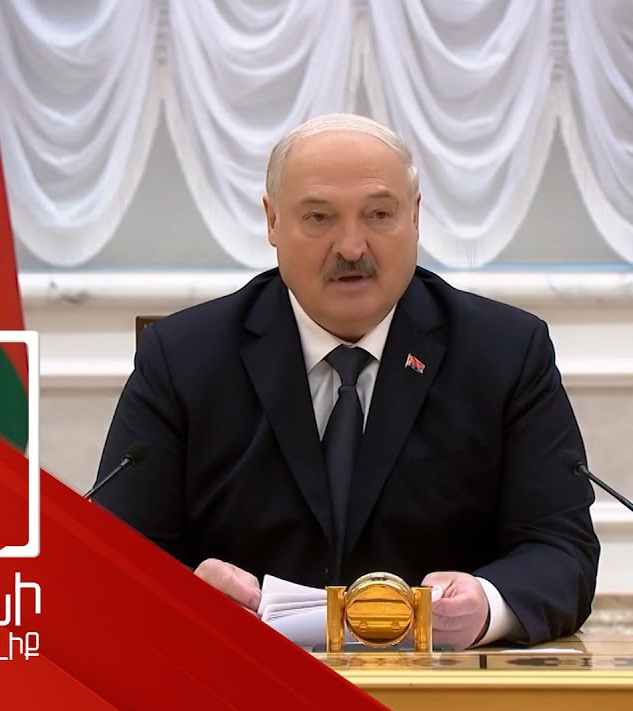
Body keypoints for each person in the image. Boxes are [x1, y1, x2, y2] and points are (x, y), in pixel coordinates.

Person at [94, 113, 600, 648]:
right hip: (238, 677)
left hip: (440, 683)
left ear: (415, 217)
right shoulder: (184, 358)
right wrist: (183, 598)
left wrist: (487, 603)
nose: (352, 247)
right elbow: (112, 554)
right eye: (319, 218)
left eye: (379, 214)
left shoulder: (504, 352)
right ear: (272, 222)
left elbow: (560, 550)